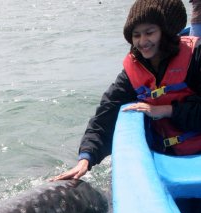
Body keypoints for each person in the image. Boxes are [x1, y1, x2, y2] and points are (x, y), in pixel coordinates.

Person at [52, 0, 201, 181]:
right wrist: (86, 158)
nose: (142, 41)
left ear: (166, 32)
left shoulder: (195, 56)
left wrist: (167, 110)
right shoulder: (133, 69)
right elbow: (106, 113)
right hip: (171, 158)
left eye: (149, 32)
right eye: (136, 35)